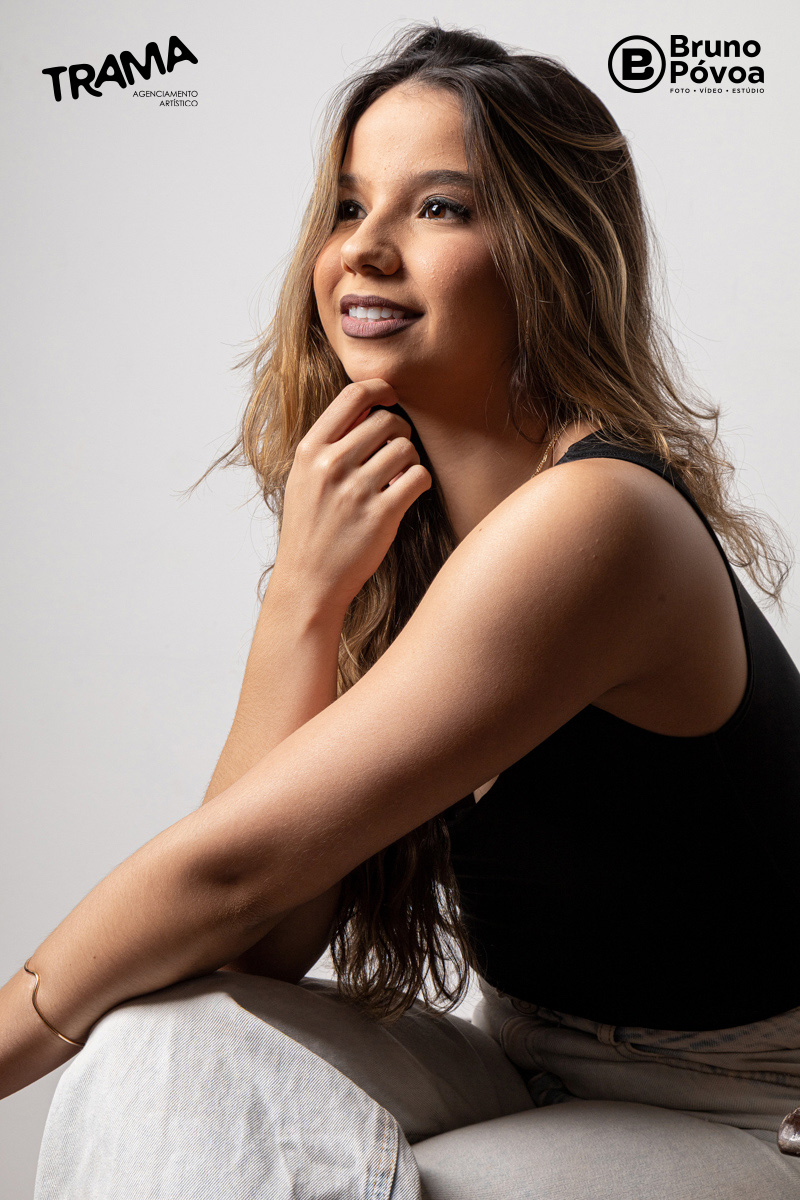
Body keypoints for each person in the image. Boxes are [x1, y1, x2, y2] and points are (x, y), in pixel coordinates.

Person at [3, 20, 800, 1199]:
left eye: (437, 208)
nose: (363, 250)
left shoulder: (600, 520)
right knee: (159, 1040)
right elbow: (255, 941)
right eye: (346, 205)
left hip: (740, 1107)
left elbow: (227, 875)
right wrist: (305, 597)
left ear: (547, 253)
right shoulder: (411, 540)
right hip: (521, 1059)